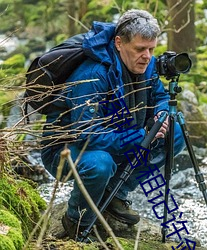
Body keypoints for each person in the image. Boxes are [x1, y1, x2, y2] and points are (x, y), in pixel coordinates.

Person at [41, 9, 185, 241]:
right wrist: (140, 136)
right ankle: (76, 221)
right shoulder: (93, 75)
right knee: (100, 164)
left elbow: (159, 96)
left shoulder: (146, 65)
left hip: (119, 137)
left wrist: (161, 114)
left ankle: (115, 194)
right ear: (119, 43)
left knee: (175, 132)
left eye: (151, 49)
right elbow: (86, 134)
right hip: (67, 149)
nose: (147, 56)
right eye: (140, 49)